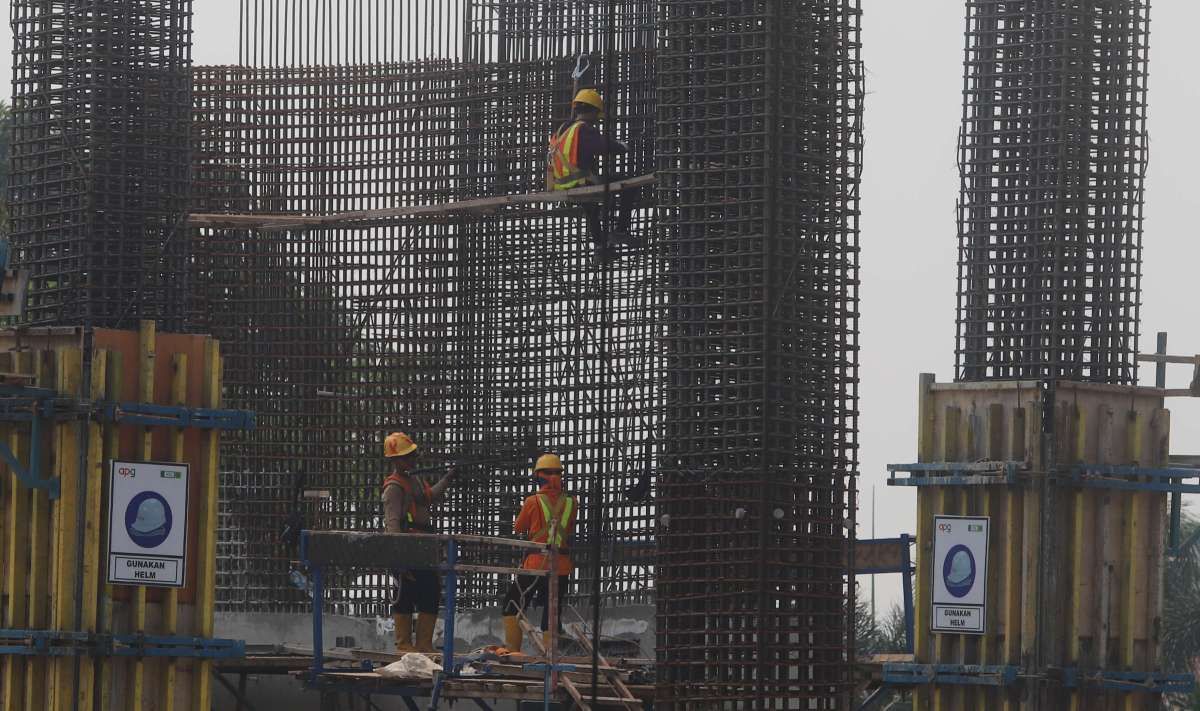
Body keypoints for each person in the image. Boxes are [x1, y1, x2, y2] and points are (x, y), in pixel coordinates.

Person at [547, 88, 643, 266]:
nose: (598, 118)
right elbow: (602, 146)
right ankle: (620, 230)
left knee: (592, 211)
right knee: (629, 184)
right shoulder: (582, 129)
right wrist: (621, 147)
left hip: (566, 184)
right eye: (597, 114)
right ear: (592, 111)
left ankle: (601, 248)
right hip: (581, 181)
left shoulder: (562, 129)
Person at [382, 431, 455, 652]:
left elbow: (427, 497)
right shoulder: (394, 487)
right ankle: (404, 645)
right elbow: (392, 525)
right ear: (395, 460)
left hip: (422, 547)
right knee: (405, 595)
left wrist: (447, 479)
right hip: (407, 548)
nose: (411, 459)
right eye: (406, 456)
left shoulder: (413, 480)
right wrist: (398, 559)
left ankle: (424, 645)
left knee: (430, 592)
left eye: (412, 455)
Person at [501, 453, 577, 652]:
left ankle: (514, 651)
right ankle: (549, 657)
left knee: (512, 602)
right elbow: (568, 529)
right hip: (560, 566)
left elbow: (519, 527)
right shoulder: (571, 502)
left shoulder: (533, 501)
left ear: (538, 476)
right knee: (552, 612)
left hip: (536, 564)